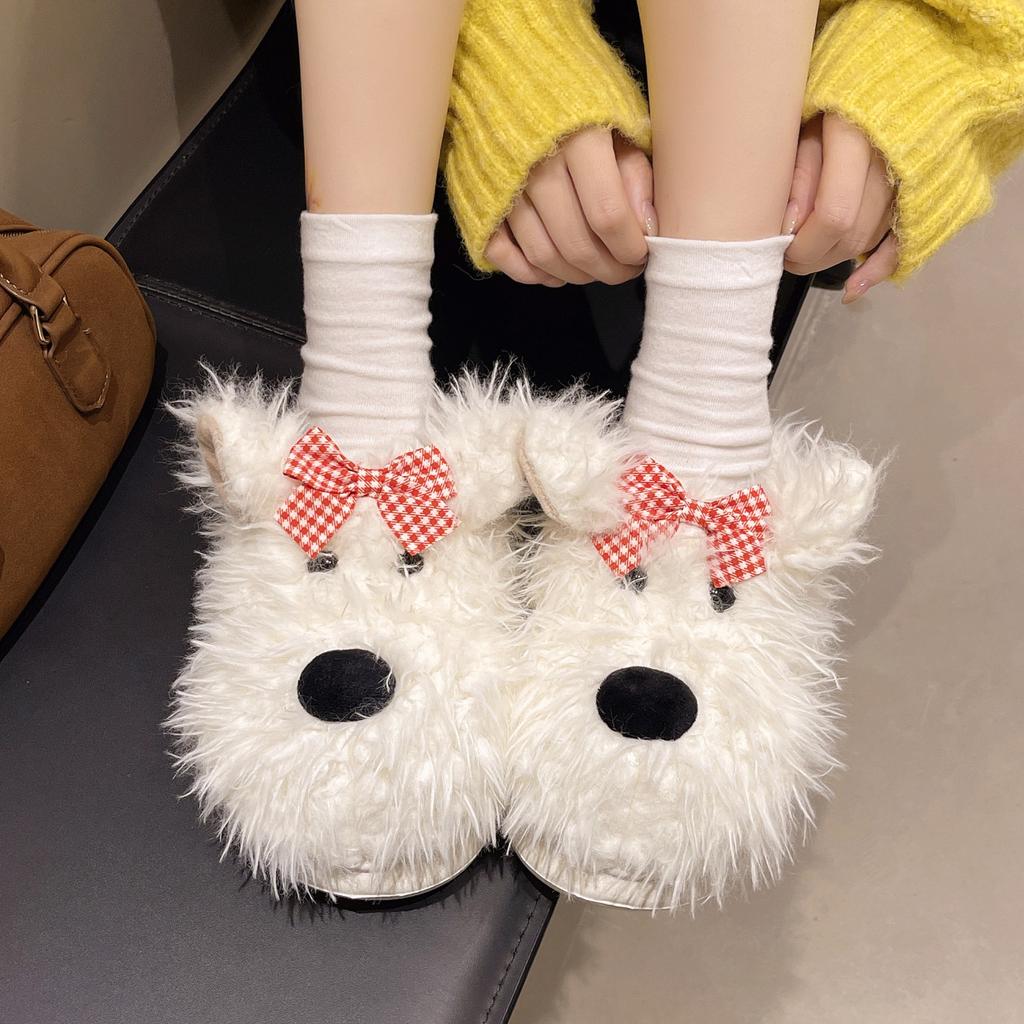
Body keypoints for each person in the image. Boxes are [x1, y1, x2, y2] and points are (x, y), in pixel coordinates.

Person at [293, 0, 1024, 494]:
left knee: (688, 424)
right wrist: (501, 43)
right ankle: (358, 424)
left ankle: (698, 448)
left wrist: (946, 63)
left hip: (772, 89)